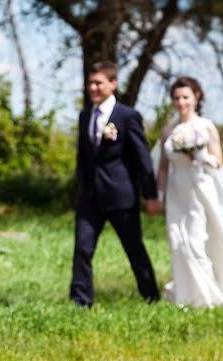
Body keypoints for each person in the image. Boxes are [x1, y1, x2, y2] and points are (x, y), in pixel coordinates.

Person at [155, 76, 223, 308]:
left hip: (199, 189)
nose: (181, 102)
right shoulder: (167, 131)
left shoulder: (206, 127)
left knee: (195, 241)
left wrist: (200, 156)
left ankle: (208, 296)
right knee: (177, 242)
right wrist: (158, 196)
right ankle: (185, 295)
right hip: (176, 191)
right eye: (176, 98)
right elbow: (163, 167)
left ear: (196, 97)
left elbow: (218, 161)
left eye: (185, 97)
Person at [70, 61, 161, 308]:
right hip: (91, 198)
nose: (92, 88)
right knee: (82, 248)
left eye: (98, 82)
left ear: (113, 84)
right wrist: (81, 189)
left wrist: (150, 196)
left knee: (134, 250)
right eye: (90, 83)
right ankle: (81, 301)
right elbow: (83, 157)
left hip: (122, 197)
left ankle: (151, 297)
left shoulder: (127, 116)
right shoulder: (85, 115)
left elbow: (143, 159)